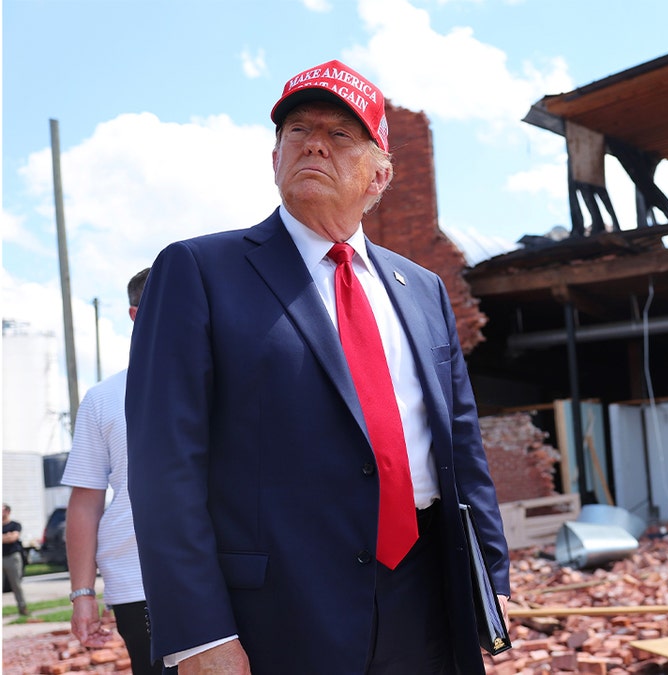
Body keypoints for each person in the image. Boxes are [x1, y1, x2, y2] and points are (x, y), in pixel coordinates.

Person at [126, 59, 509, 674]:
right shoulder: (199, 273)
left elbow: (461, 445)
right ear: (274, 157)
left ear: (379, 174)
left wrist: (489, 579)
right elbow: (163, 468)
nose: (314, 144)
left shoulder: (422, 288)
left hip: (427, 597)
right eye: (298, 130)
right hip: (279, 614)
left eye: (340, 135)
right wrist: (199, 634)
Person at [63, 268, 171, 674]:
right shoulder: (103, 398)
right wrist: (82, 593)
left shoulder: (233, 379)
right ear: (135, 314)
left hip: (232, 572)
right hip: (138, 581)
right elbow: (86, 500)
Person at [2, 504, 29, 616]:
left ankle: (22, 608)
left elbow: (13, 537)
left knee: (16, 584)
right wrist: (5, 537)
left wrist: (7, 537)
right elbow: (8, 538)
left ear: (7, 511)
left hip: (12, 557)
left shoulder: (15, 525)